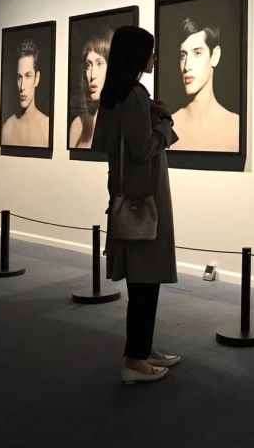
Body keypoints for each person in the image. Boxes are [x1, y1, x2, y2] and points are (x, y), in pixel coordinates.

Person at [91, 25, 180, 385]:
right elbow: (144, 149)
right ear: (137, 56)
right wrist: (166, 123)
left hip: (125, 194)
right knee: (146, 279)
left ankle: (142, 349)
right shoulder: (136, 96)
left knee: (142, 279)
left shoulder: (113, 96)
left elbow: (108, 143)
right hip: (145, 199)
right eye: (150, 51)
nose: (154, 57)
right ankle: (134, 360)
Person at [170, 18, 239, 151]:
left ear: (215, 56)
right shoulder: (169, 126)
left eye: (197, 53)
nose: (187, 66)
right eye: (183, 56)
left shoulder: (236, 127)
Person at [69, 28, 113, 149]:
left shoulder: (124, 122)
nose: (92, 75)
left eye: (99, 63)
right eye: (88, 65)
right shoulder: (79, 126)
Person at [1, 38, 49, 147]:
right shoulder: (8, 128)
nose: (22, 87)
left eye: (28, 76)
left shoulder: (47, 127)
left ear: (37, 78)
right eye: (19, 77)